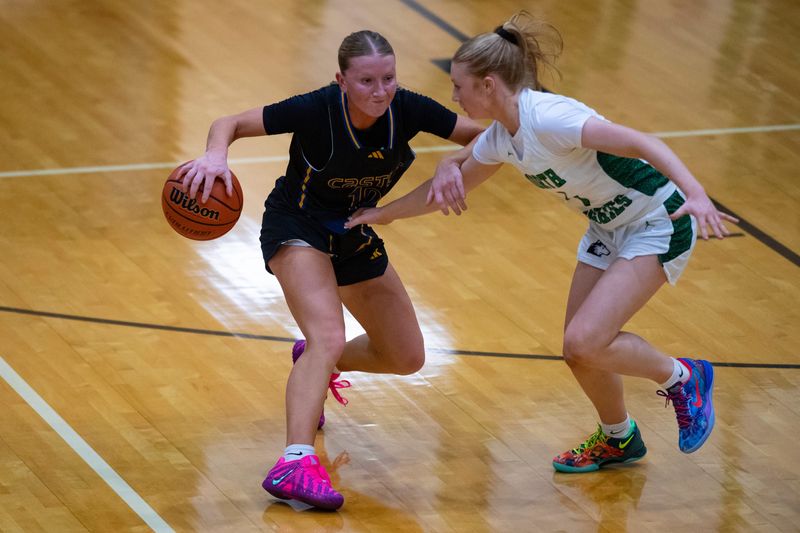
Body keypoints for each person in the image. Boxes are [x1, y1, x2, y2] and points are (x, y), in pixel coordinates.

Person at [345, 11, 738, 474]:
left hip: (658, 220)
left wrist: (695, 193)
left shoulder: (550, 118)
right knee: (578, 351)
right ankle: (619, 438)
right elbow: (443, 193)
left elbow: (642, 142)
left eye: (459, 87)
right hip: (606, 227)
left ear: (489, 85)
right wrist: (381, 214)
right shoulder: (502, 137)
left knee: (587, 338)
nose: (453, 97)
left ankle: (685, 378)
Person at [179, 30, 483, 509]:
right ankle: (294, 462)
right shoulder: (316, 107)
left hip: (351, 230)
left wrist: (454, 162)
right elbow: (230, 122)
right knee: (328, 336)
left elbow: (490, 139)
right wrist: (216, 155)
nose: (380, 91)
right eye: (366, 81)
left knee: (407, 356)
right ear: (341, 80)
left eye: (388, 78)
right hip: (295, 224)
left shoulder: (408, 108)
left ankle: (314, 368)